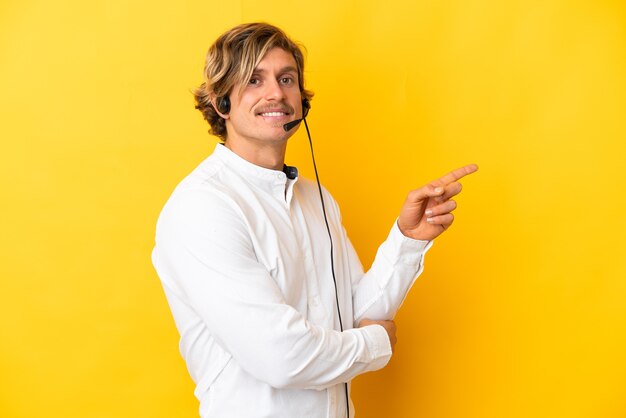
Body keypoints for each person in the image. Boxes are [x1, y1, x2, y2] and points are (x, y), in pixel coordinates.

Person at [152, 22, 477, 418]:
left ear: (301, 102)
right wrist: (377, 343)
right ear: (222, 102)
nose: (276, 93)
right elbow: (280, 356)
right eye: (254, 80)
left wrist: (408, 239)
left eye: (286, 78)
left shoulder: (316, 198)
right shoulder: (203, 206)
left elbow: (354, 313)